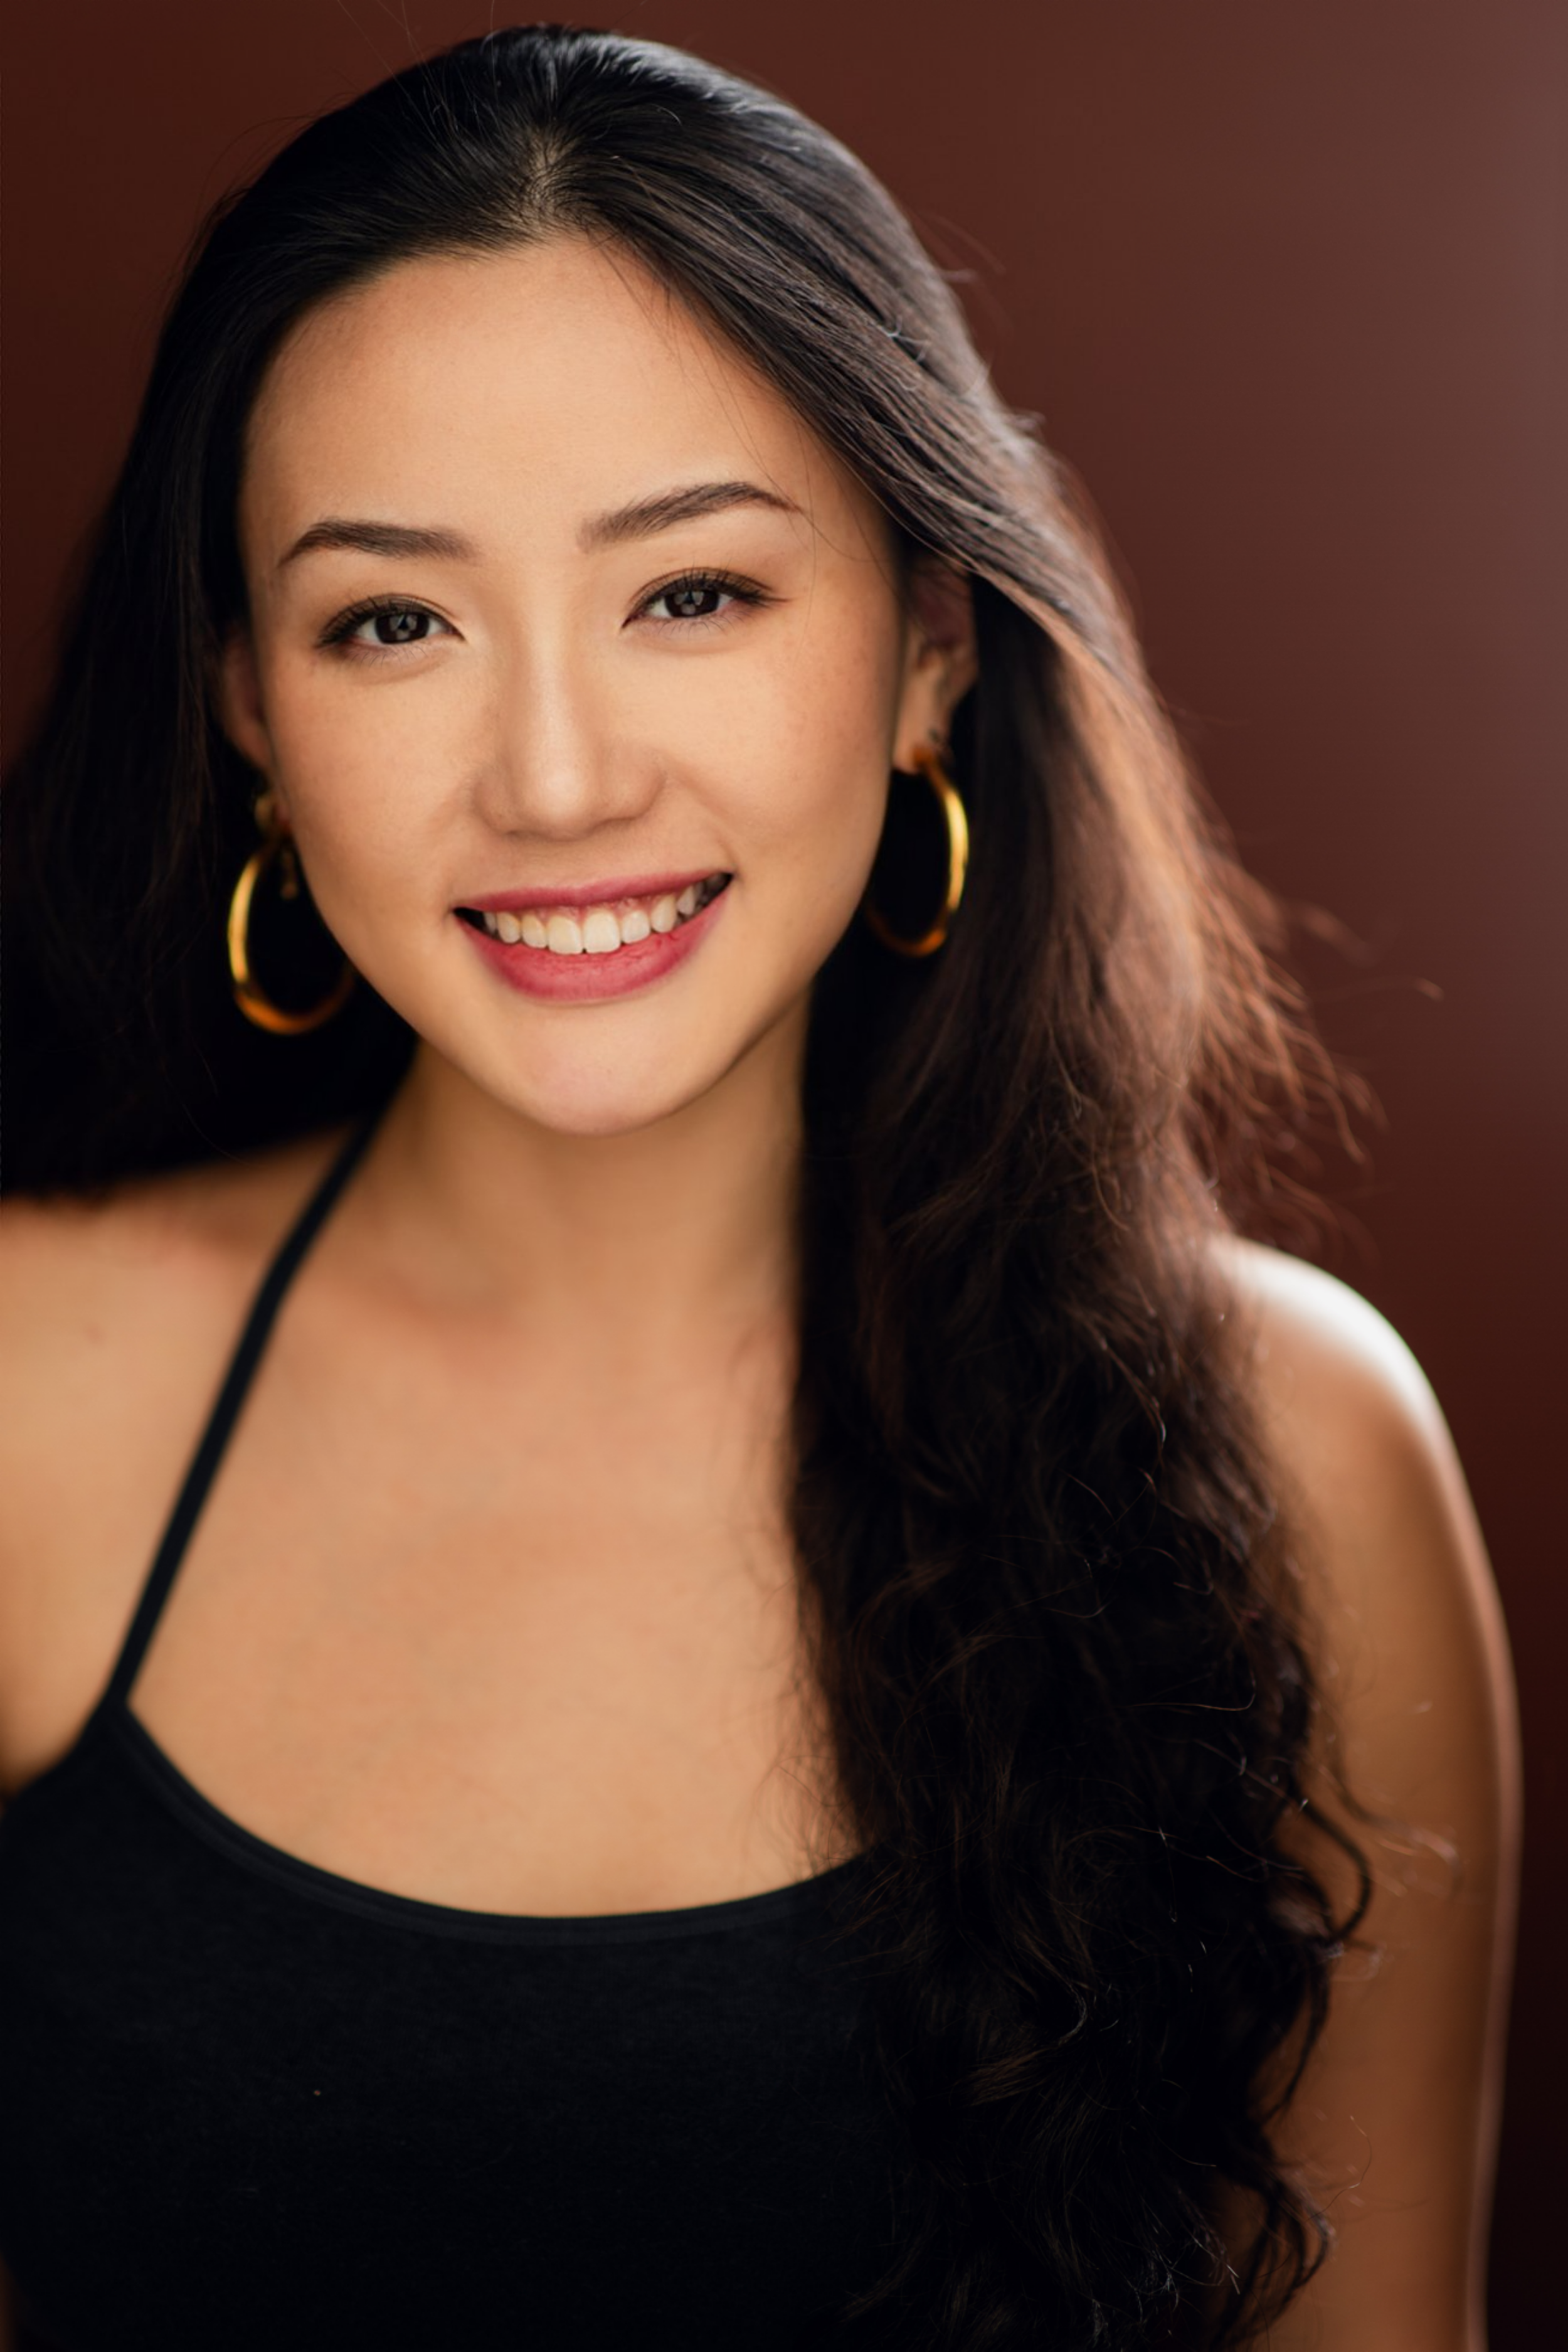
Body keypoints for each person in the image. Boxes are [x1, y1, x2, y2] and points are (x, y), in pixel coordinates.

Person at [0, 24, 1517, 2351]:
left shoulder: (1297, 1457)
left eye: (690, 592)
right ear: (250, 722)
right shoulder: (35, 1400)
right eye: (391, 620)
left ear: (925, 650)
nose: (555, 773)